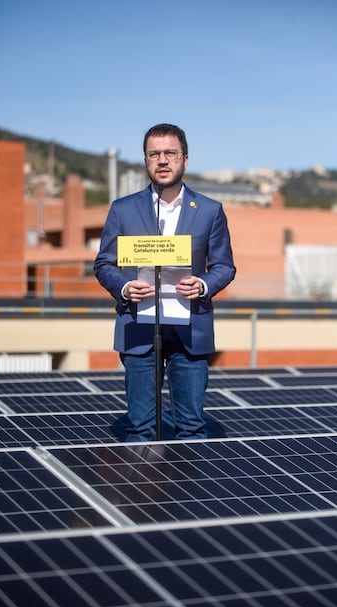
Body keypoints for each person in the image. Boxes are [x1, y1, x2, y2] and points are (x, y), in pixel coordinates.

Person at [94, 123, 236, 442]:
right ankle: (142, 490)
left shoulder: (210, 211)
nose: (162, 160)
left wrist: (202, 284)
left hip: (190, 327)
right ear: (145, 160)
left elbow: (225, 267)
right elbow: (104, 263)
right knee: (140, 428)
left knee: (192, 427)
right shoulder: (122, 209)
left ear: (185, 159)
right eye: (154, 154)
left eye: (170, 153)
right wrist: (124, 287)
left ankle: (188, 493)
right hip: (139, 324)